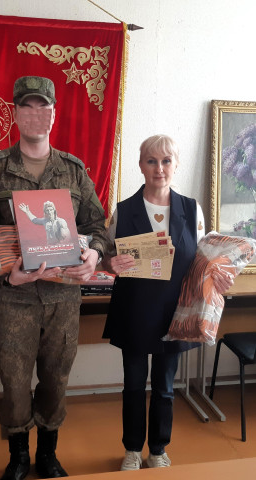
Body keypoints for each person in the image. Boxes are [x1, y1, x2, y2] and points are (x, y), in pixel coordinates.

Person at [0, 76, 108, 480]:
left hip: (63, 300)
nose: (35, 114)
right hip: (13, 299)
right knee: (13, 383)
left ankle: (47, 453)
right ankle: (18, 457)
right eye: (26, 106)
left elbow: (97, 226)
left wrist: (94, 254)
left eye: (42, 107)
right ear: (15, 113)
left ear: (53, 114)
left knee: (56, 378)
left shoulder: (73, 170)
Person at [102, 134, 234, 471]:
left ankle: (158, 450)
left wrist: (219, 276)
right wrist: (109, 264)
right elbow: (107, 256)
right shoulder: (123, 210)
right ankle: (133, 449)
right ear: (141, 165)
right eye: (151, 161)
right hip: (134, 310)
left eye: (166, 161)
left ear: (176, 165)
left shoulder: (192, 209)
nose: (159, 168)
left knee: (164, 387)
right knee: (133, 385)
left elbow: (203, 261)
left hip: (175, 312)